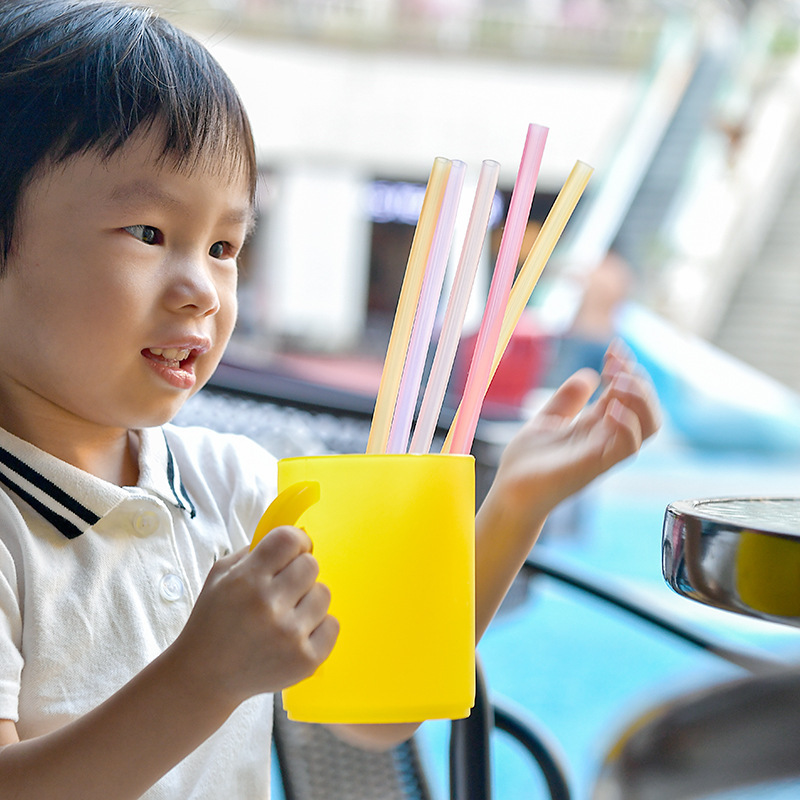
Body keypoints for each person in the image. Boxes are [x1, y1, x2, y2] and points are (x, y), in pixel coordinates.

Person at [0, 1, 661, 797]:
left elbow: (373, 710)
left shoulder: (236, 485)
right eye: (148, 232)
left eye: (224, 248)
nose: (202, 290)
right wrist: (201, 680)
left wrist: (518, 504)